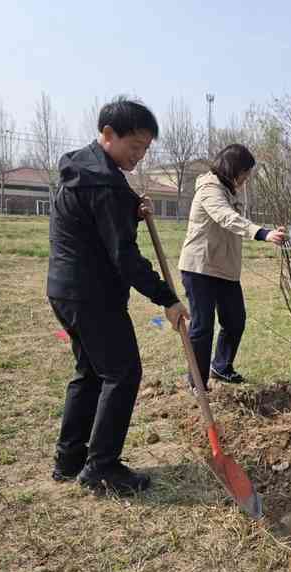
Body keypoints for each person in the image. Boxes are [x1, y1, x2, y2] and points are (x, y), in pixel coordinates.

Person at [47, 96, 190, 496]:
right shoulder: (104, 182)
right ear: (108, 135)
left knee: (90, 372)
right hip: (93, 295)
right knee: (123, 373)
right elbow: (123, 256)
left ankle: (70, 458)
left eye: (145, 150)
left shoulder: (84, 170)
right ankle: (102, 467)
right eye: (134, 147)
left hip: (65, 290)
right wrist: (167, 298)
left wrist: (131, 209)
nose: (139, 157)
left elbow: (95, 221)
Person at [178, 144, 285, 390]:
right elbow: (227, 218)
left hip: (224, 269)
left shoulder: (227, 191)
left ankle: (221, 366)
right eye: (245, 173)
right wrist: (262, 234)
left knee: (235, 321)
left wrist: (269, 231)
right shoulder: (209, 189)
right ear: (233, 169)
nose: (246, 179)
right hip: (200, 268)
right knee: (202, 326)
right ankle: (197, 381)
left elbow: (235, 221)